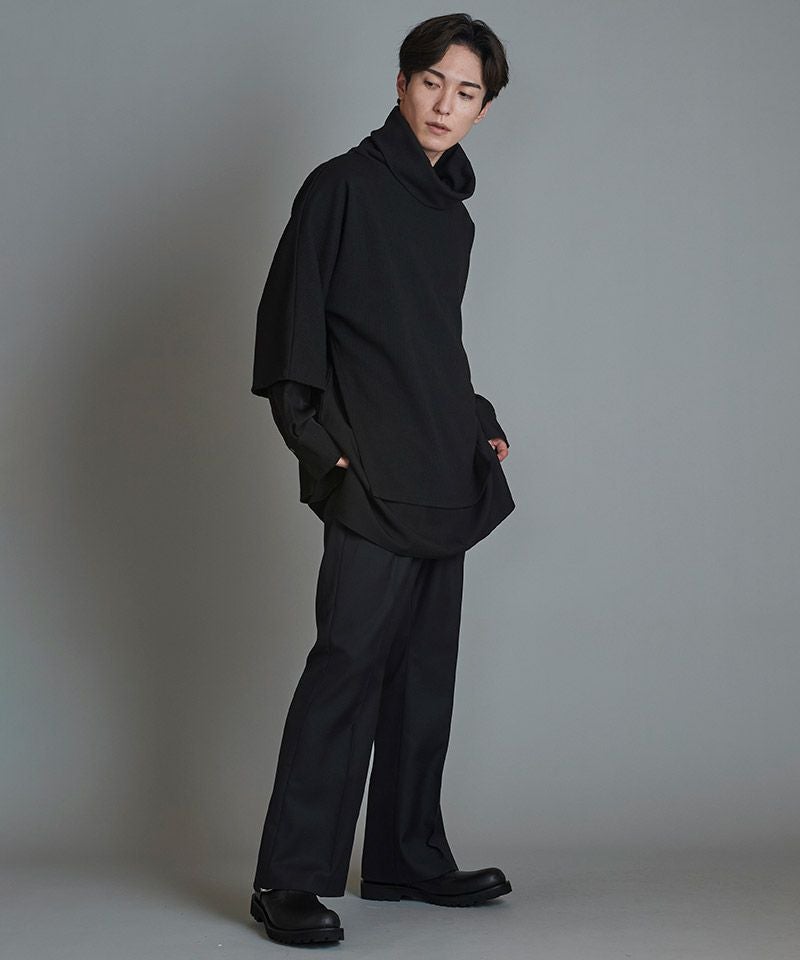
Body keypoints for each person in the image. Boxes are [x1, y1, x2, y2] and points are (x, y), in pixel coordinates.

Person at [249, 13, 515, 946]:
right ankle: (287, 879)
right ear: (402, 83)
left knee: (423, 671)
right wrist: (319, 446)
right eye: (433, 81)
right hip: (368, 468)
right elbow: (290, 328)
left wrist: (478, 420)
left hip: (442, 459)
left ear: (483, 110)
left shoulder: (454, 220)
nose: (446, 103)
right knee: (347, 665)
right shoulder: (340, 187)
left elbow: (430, 342)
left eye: (467, 92)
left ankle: (407, 856)